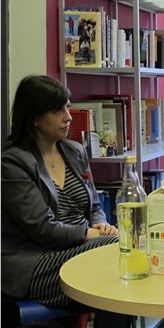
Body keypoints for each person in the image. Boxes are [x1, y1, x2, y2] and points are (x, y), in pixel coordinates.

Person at [1, 75, 129, 327]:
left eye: (68, 107)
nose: (68, 116)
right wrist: (90, 234)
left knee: (124, 266)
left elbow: (93, 205)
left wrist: (100, 225)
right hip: (35, 263)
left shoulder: (74, 151)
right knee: (119, 256)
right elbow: (43, 229)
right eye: (58, 110)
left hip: (81, 250)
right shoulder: (12, 163)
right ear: (35, 117)